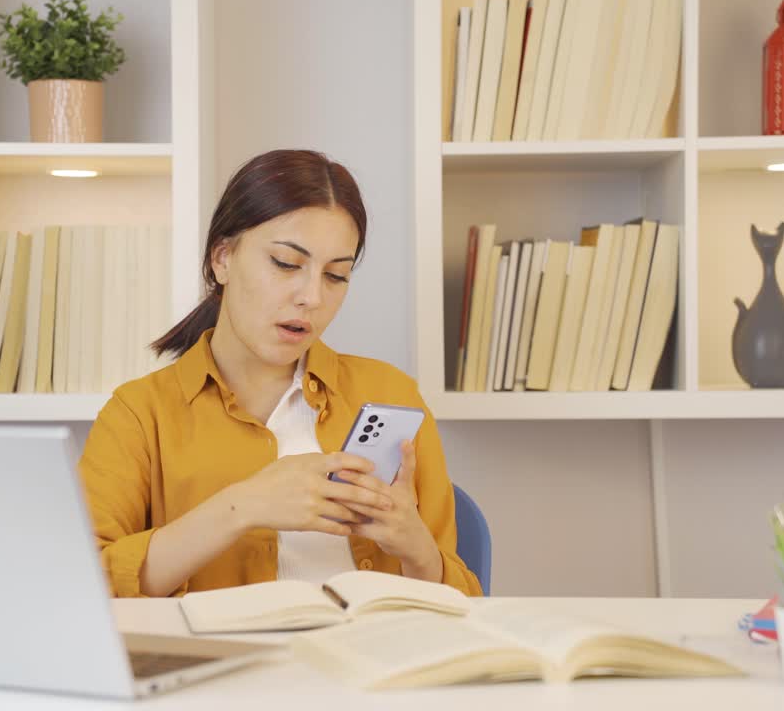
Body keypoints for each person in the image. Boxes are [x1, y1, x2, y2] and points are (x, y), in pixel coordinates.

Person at [79, 149, 482, 598]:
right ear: (222, 259)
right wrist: (241, 507)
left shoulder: (391, 393)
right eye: (287, 264)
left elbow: (465, 604)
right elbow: (84, 587)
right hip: (225, 667)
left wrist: (416, 548)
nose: (311, 296)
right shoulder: (139, 414)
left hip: (369, 662)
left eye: (336, 276)